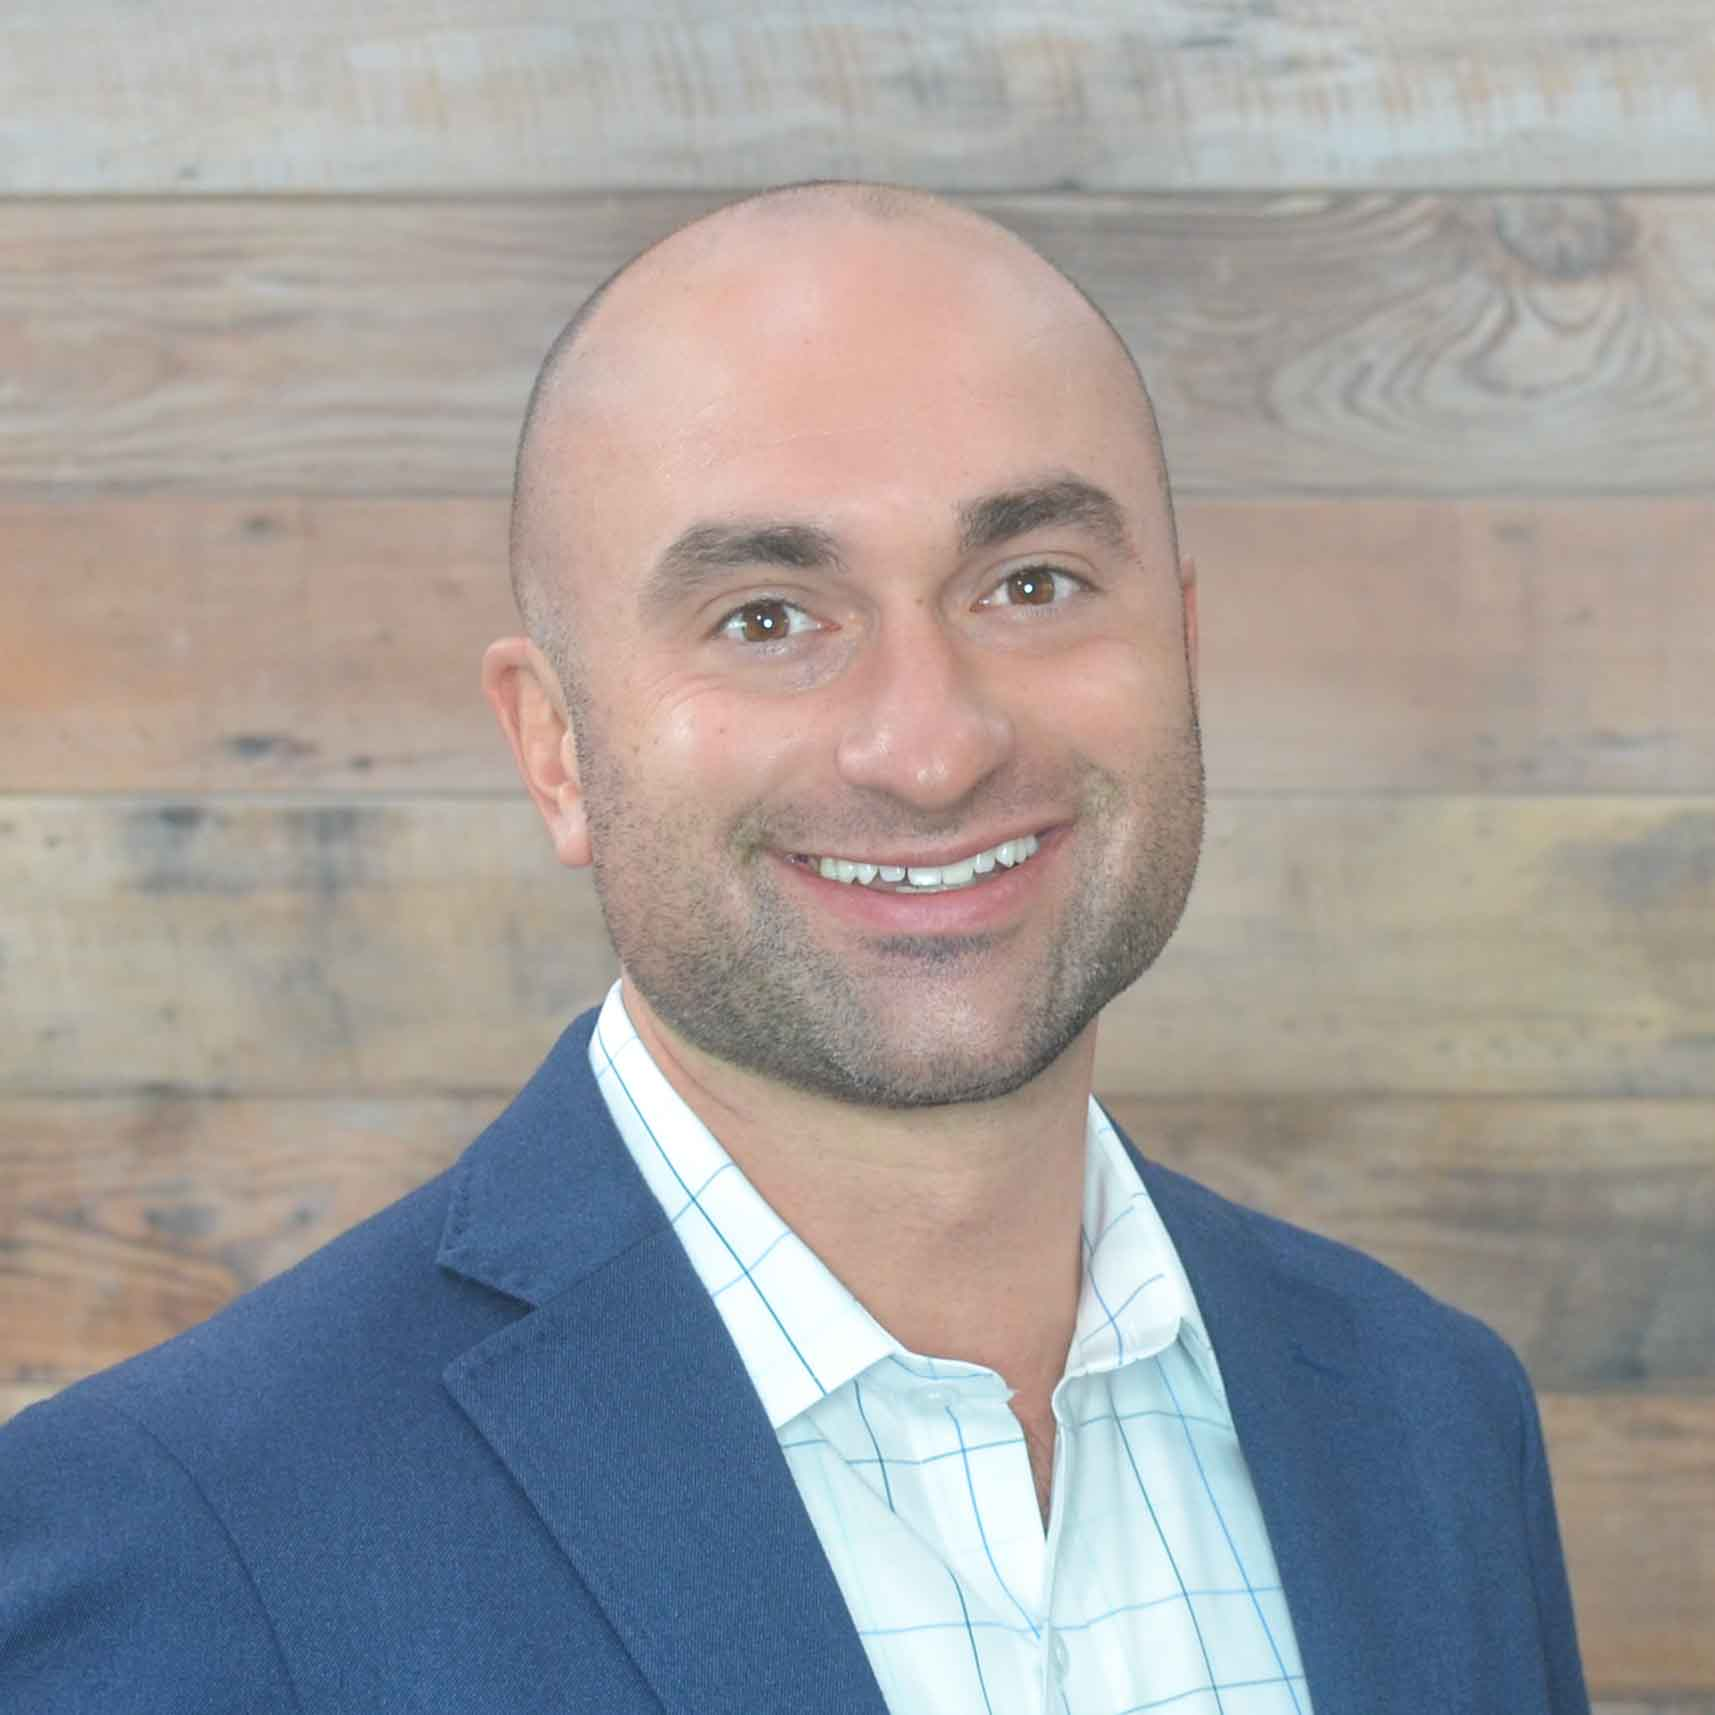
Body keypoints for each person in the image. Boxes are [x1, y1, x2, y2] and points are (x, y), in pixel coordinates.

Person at [0, 182, 1588, 1714]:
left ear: (1179, 644)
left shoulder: (1427, 1417)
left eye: (1030, 583)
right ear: (555, 748)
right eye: (765, 617)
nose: (931, 746)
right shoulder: (182, 1530)